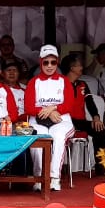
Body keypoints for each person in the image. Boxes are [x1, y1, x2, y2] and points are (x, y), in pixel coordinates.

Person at [23, 45, 78, 191]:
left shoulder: (64, 80)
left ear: (57, 63)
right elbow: (28, 107)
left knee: (58, 136)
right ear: (41, 62)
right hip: (38, 120)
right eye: (46, 62)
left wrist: (53, 108)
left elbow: (69, 104)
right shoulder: (33, 82)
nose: (49, 66)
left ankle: (54, 177)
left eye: (53, 62)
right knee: (38, 137)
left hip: (62, 120)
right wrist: (46, 111)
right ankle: (39, 177)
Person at [63, 52, 105, 170]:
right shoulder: (61, 83)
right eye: (79, 65)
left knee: (100, 129)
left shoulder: (83, 84)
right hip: (65, 121)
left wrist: (96, 117)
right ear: (72, 68)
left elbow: (90, 102)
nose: (81, 68)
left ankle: (100, 168)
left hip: (80, 121)